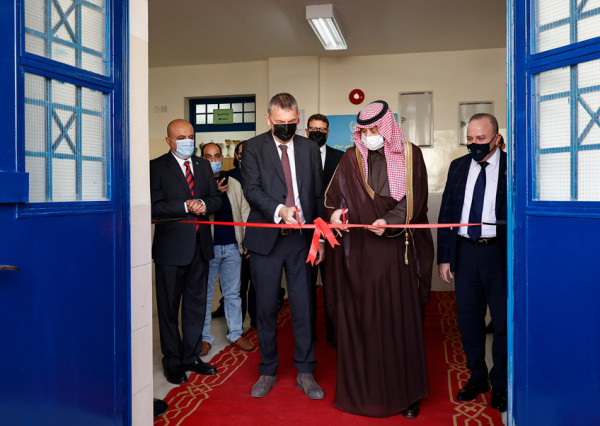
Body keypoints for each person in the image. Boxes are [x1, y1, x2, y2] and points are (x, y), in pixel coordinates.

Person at [324, 100, 433, 418]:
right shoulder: (350, 158)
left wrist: (389, 222)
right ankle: (363, 392)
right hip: (359, 258)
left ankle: (406, 395)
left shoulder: (410, 155)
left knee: (399, 324)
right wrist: (334, 215)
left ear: (388, 127)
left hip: (396, 255)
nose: (370, 136)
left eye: (375, 129)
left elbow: (416, 201)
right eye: (364, 131)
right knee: (364, 324)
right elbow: (331, 199)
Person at [242, 93, 325, 400]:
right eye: (280, 122)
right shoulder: (253, 148)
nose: (287, 127)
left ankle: (306, 370)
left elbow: (316, 194)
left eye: (292, 122)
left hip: (302, 240)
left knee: (304, 306)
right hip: (267, 240)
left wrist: (320, 237)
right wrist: (280, 210)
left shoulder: (309, 148)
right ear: (268, 119)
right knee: (265, 308)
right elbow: (251, 190)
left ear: (298, 119)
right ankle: (267, 370)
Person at [437, 113, 507, 412]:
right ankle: (477, 377)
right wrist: (444, 257)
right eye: (470, 139)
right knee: (468, 321)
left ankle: (501, 382)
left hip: (499, 254)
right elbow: (446, 213)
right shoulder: (458, 167)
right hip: (465, 252)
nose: (474, 144)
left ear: (496, 138)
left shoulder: (511, 168)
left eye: (481, 139)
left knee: (502, 322)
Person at [150, 119, 222, 385]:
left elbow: (217, 199)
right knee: (168, 309)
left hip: (200, 248)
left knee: (195, 307)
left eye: (190, 136)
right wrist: (184, 206)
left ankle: (191, 356)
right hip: (170, 251)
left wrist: (203, 203)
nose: (187, 141)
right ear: (168, 141)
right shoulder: (156, 167)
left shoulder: (202, 166)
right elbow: (153, 207)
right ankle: (172, 361)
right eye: (180, 138)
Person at [200, 142, 254, 356]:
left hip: (232, 247)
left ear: (223, 158)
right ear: (202, 159)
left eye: (217, 156)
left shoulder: (233, 182)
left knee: (233, 294)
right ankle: (204, 338)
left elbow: (245, 211)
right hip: (208, 249)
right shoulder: (198, 183)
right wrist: (214, 192)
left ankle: (235, 334)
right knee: (205, 295)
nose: (213, 161)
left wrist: (246, 239)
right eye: (208, 157)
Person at [305, 113, 344, 344]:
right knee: (305, 289)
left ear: (328, 133)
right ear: (306, 131)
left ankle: (335, 333)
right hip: (305, 233)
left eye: (321, 129)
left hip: (331, 232)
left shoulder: (340, 158)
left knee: (333, 287)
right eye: (313, 128)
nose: (317, 132)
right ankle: (307, 335)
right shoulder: (297, 156)